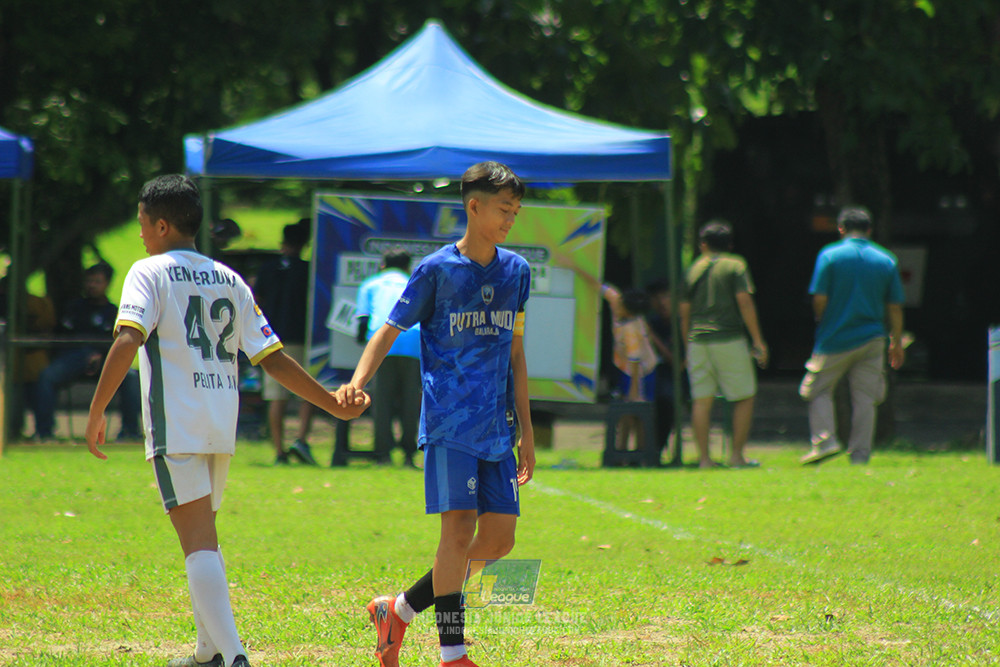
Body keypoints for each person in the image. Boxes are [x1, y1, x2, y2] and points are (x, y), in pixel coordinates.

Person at [83, 174, 370, 667]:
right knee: (206, 539)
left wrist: (97, 409)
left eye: (142, 224)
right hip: (221, 423)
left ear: (162, 224)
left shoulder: (148, 272)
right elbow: (272, 357)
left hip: (179, 423)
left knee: (197, 543)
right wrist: (329, 403)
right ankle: (206, 653)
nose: (140, 234)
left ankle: (235, 657)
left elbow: (128, 339)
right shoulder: (229, 277)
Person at [336, 162, 535, 667]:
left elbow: (517, 355)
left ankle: (397, 610)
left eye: (515, 209)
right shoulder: (436, 271)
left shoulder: (517, 272)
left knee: (500, 539)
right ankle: (453, 653)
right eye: (503, 208)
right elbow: (386, 330)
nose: (511, 216)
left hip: (498, 427)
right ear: (474, 206)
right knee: (458, 531)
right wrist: (357, 384)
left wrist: (527, 432)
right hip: (449, 422)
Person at [799, 206, 905, 465]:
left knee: (817, 389)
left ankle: (825, 441)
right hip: (873, 338)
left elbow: (820, 297)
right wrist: (896, 342)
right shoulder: (886, 259)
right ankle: (860, 455)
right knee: (866, 399)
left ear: (841, 229)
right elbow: (894, 306)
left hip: (835, 337)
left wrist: (821, 319)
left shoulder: (830, 256)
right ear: (870, 230)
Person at [679, 220, 768, 469]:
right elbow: (744, 301)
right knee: (744, 396)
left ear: (702, 244)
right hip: (729, 338)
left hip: (697, 341)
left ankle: (705, 459)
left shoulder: (692, 268)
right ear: (729, 244)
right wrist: (758, 341)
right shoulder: (736, 265)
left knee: (701, 400)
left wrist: (687, 344)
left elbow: (683, 311)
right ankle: (736, 456)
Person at [32, 261, 142, 441]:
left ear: (107, 284)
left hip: (105, 363)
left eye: (97, 282)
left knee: (130, 377)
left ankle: (130, 431)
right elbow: (63, 338)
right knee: (46, 376)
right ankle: (44, 432)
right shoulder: (74, 308)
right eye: (89, 281)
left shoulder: (114, 312)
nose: (92, 286)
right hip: (74, 360)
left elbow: (119, 344)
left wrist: (99, 354)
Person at [253, 220, 317, 466]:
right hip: (301, 336)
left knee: (275, 396)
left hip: (271, 338)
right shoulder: (308, 269)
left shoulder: (267, 269)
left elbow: (256, 299)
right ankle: (301, 440)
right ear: (304, 244)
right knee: (307, 393)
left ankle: (279, 451)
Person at [355, 247, 421, 467]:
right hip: (413, 340)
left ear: (382, 264)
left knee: (381, 401)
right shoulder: (415, 283)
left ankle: (383, 453)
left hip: (382, 343)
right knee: (411, 400)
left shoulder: (370, 284)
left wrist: (363, 344)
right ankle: (409, 454)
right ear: (407, 267)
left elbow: (363, 323)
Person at [646, 279, 682, 464]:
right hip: (653, 373)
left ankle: (657, 450)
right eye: (657, 298)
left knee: (665, 399)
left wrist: (653, 337)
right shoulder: (651, 321)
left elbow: (678, 364)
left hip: (678, 376)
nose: (662, 303)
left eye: (666, 297)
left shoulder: (681, 324)